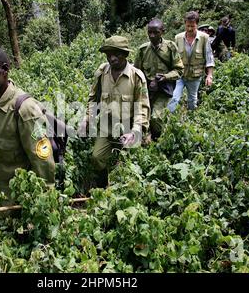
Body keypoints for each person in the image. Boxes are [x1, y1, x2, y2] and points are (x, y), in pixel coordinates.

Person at [0, 46, 55, 205]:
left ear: (4, 70)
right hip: (5, 187)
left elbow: (43, 160)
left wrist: (46, 202)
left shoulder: (25, 109)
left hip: (28, 191)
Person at [80, 36, 150, 188]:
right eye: (108, 54)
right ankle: (102, 188)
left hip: (129, 125)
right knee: (96, 157)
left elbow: (142, 107)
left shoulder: (136, 77)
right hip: (107, 125)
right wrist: (87, 118)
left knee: (129, 166)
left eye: (116, 54)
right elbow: (93, 99)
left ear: (125, 54)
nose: (112, 58)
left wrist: (135, 131)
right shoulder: (101, 73)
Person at [134, 18, 184, 141]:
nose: (152, 36)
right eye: (149, 32)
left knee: (156, 117)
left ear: (162, 31)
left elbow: (179, 70)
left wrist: (165, 77)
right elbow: (136, 72)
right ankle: (145, 139)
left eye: (155, 32)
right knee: (143, 117)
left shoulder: (170, 47)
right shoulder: (142, 50)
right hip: (147, 90)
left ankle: (158, 140)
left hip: (163, 89)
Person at [167, 11, 215, 112]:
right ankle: (168, 121)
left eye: (192, 26)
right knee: (174, 98)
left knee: (192, 100)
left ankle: (191, 120)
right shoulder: (178, 38)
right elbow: (173, 57)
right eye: (187, 26)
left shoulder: (204, 38)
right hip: (180, 75)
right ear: (185, 24)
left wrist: (209, 75)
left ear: (197, 25)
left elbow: (209, 57)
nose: (189, 29)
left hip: (195, 76)